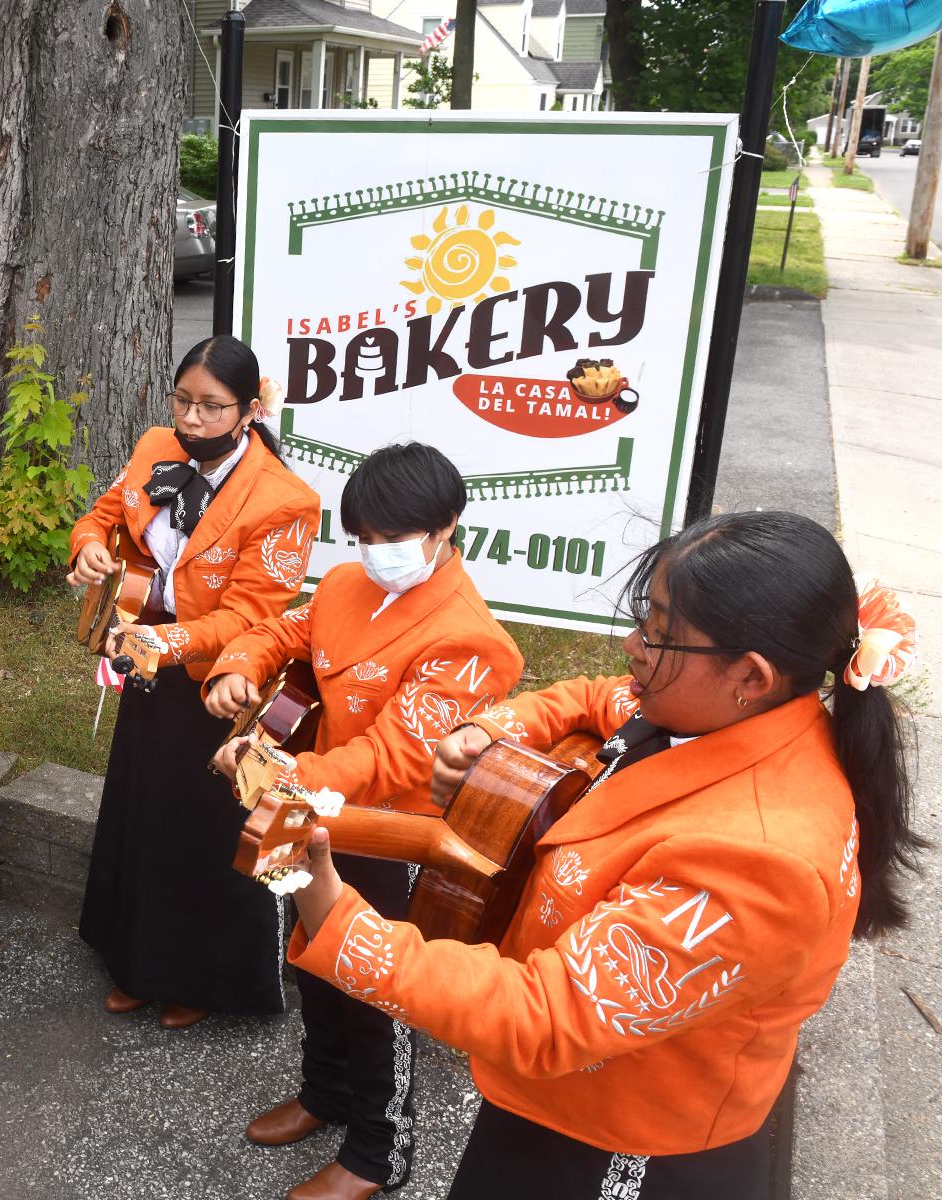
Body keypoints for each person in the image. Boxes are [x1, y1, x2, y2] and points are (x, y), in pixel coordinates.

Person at [282, 510, 921, 1200]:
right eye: (646, 617)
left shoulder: (761, 861)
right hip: (566, 1093)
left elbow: (548, 1014)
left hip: (623, 1145)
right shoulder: (726, 711)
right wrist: (493, 728)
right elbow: (592, 700)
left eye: (659, 632)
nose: (632, 644)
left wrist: (337, 918)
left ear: (752, 674)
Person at [203, 441, 524, 1199]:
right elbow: (286, 633)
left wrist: (277, 777)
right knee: (312, 953)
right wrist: (238, 666)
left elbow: (397, 757)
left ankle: (383, 1152)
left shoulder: (471, 640)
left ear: (447, 527)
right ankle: (326, 1092)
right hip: (304, 799)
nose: (375, 552)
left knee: (380, 992)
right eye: (363, 536)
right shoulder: (348, 580)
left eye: (392, 536)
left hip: (389, 833)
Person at [64, 335, 320, 1030]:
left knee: (201, 830)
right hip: (148, 656)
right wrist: (89, 546)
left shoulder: (285, 500)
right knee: (142, 812)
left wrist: (165, 641)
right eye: (183, 401)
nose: (193, 420)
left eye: (213, 408)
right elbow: (105, 515)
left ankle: (202, 981)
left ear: (250, 411)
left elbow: (249, 615)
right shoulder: (155, 444)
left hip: (217, 681)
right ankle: (136, 961)